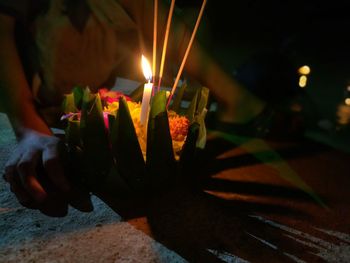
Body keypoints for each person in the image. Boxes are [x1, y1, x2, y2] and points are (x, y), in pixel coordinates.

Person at [0, 0, 266, 216]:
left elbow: (167, 27)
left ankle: (237, 102)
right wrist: (29, 127)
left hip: (101, 99)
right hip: (43, 107)